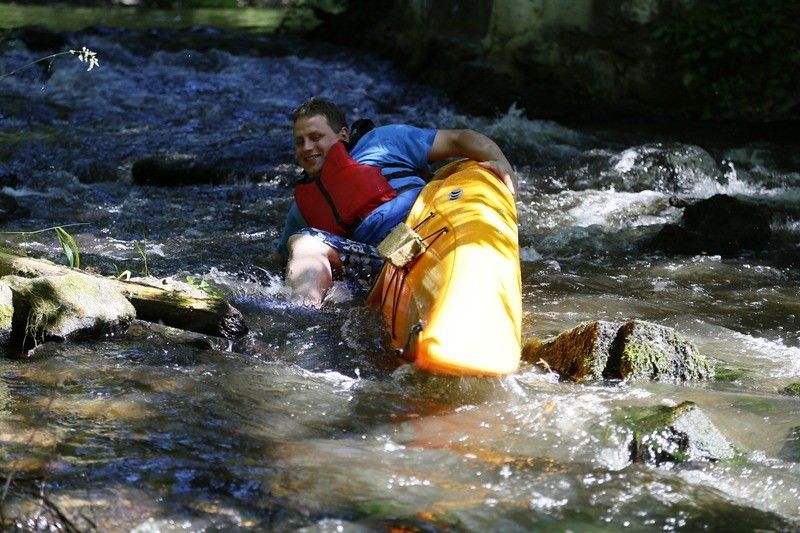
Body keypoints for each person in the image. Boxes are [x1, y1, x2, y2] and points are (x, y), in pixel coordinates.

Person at [276, 97, 517, 306]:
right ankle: (302, 318)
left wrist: (500, 162)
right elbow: (282, 260)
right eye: (300, 141)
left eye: (315, 137)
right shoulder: (301, 209)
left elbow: (459, 139)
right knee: (305, 244)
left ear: (343, 135)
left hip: (431, 226)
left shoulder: (384, 141)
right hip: (384, 262)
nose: (307, 147)